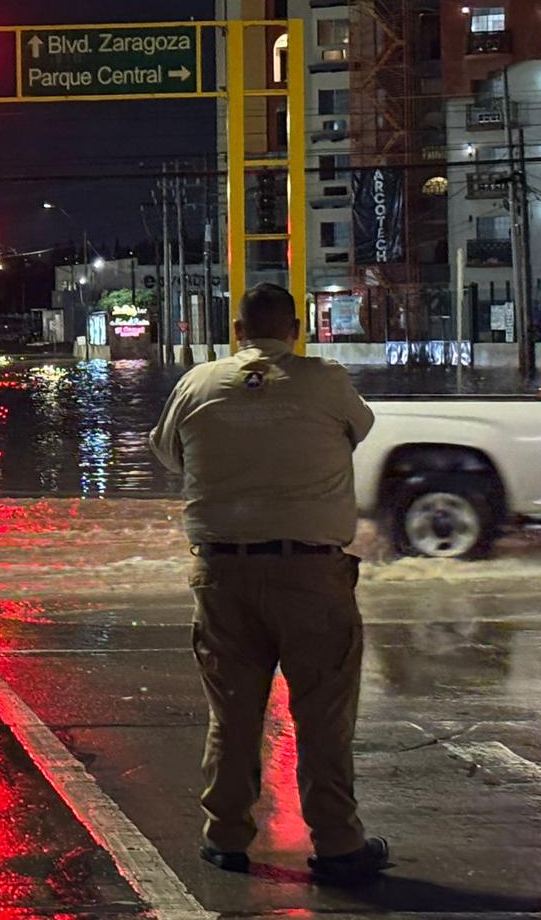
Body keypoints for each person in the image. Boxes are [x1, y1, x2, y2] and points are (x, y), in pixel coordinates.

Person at [149, 283, 387, 884]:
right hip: (312, 574)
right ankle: (337, 843)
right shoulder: (325, 380)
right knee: (323, 713)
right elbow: (360, 430)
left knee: (231, 711)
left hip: (223, 573)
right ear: (296, 329)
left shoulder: (199, 384)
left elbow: (167, 454)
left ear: (235, 332)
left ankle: (225, 837)